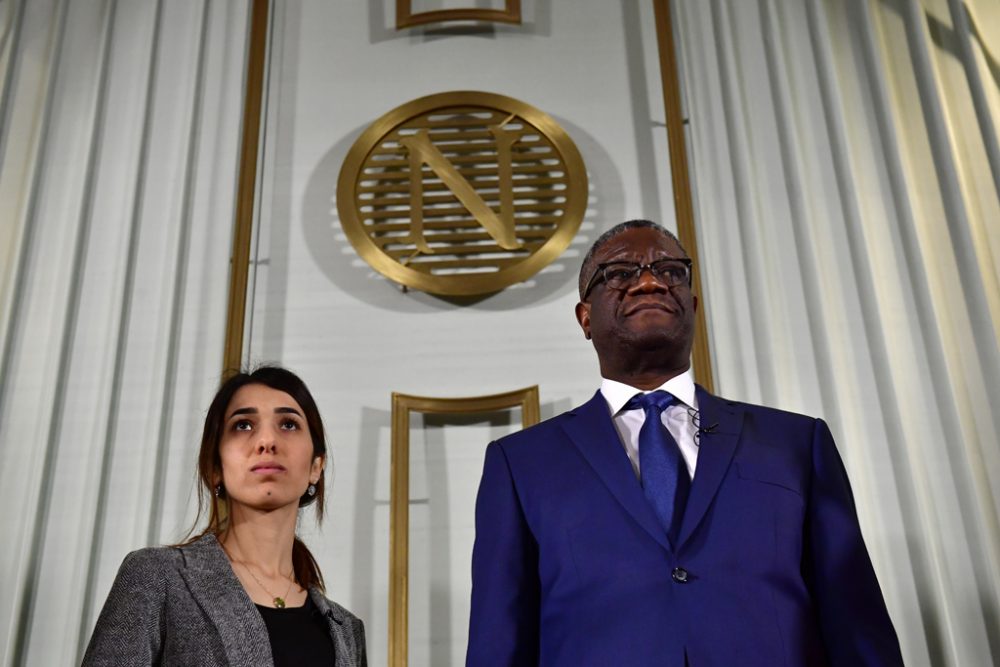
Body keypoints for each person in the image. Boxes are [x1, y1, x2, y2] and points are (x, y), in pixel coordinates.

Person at [466, 220, 903, 666]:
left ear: (692, 306)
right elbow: (498, 642)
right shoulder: (520, 464)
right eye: (619, 274)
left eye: (671, 271)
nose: (651, 282)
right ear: (585, 318)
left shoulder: (795, 442)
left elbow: (856, 622)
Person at [84, 366, 367, 666]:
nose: (267, 441)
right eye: (243, 425)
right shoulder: (157, 577)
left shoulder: (348, 632)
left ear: (316, 466)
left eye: (288, 424)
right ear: (215, 467)